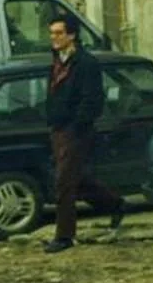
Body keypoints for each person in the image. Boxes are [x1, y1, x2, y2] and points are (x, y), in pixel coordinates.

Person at [42, 15, 125, 254]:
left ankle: (65, 236)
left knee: (64, 183)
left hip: (76, 130)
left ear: (71, 35)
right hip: (58, 129)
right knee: (75, 180)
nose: (54, 38)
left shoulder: (86, 63)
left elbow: (92, 99)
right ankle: (115, 204)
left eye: (58, 33)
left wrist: (77, 125)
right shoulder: (57, 60)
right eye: (52, 33)